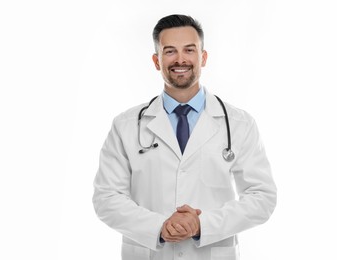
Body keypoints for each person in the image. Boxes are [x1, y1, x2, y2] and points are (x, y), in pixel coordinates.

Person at [93, 14, 277, 260]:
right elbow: (106, 198)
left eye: (189, 50)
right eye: (169, 51)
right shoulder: (125, 125)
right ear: (156, 61)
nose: (180, 59)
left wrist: (202, 225)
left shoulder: (239, 124)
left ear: (203, 57)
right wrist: (158, 227)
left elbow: (262, 197)